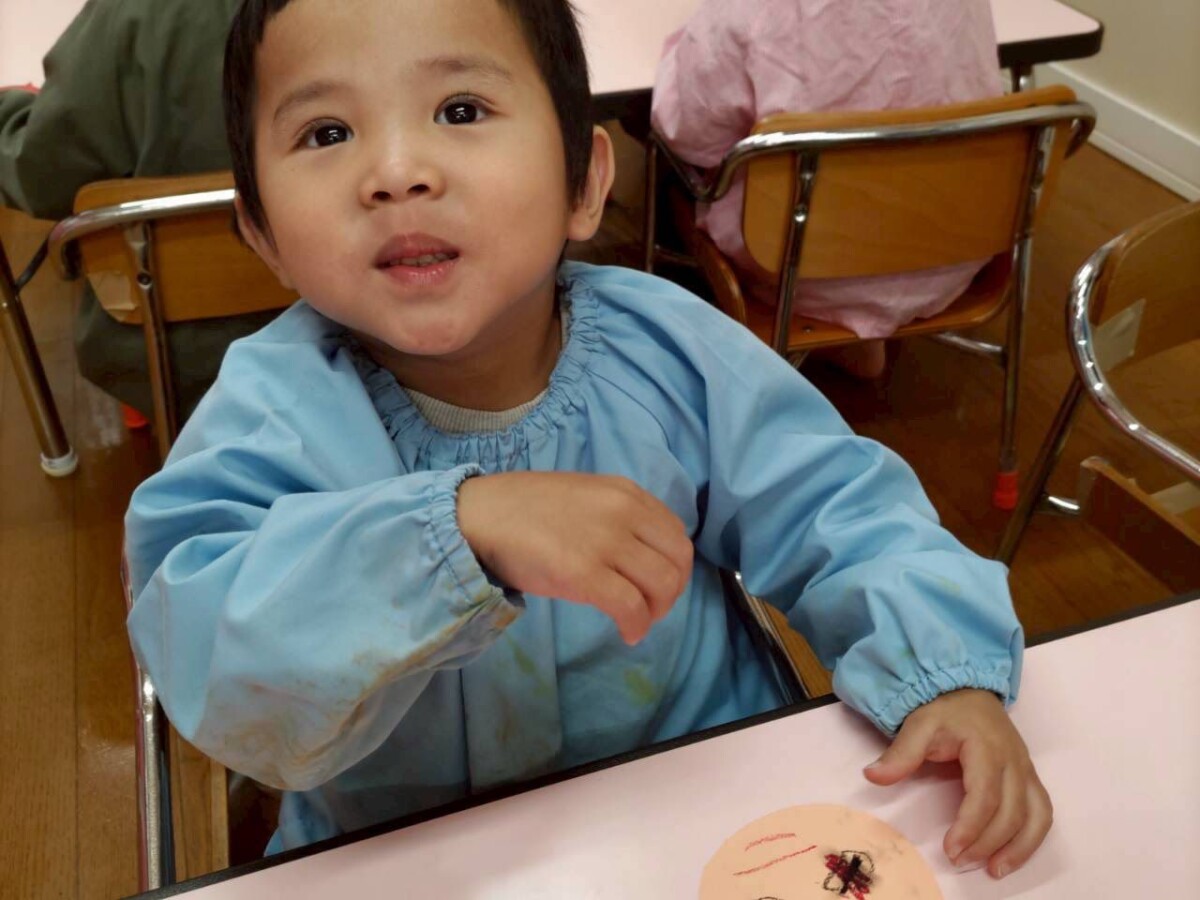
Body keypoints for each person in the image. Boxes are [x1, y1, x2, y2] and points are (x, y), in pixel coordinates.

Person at [124, 0, 1050, 879]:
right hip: (406, 850)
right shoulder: (272, 414)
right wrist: (455, 531)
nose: (397, 172)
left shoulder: (671, 352)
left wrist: (939, 671)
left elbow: (836, 509)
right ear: (262, 233)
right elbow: (207, 639)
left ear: (584, 183)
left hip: (697, 806)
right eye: (327, 132)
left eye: (460, 109)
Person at [650, 0, 1005, 379]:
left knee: (678, 167)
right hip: (953, 252)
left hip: (798, 268)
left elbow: (688, 134)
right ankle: (859, 337)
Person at [0, 0, 277, 422]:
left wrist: (8, 114)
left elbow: (43, 173)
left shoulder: (132, 13)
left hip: (165, 353)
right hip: (349, 328)